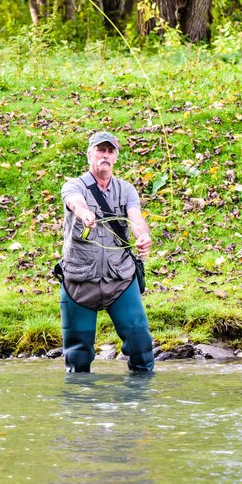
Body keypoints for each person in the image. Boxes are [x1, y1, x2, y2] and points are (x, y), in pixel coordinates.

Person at [57, 131, 154, 373]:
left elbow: (135, 217)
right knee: (77, 357)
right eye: (101, 150)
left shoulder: (127, 189)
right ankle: (80, 404)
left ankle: (140, 403)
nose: (105, 156)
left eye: (110, 151)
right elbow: (74, 201)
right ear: (90, 154)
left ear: (116, 158)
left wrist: (142, 236)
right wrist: (84, 213)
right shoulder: (74, 185)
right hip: (80, 281)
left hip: (120, 279)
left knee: (141, 345)